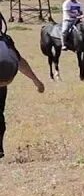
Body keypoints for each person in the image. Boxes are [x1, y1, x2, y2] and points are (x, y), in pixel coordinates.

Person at [0, 28, 46, 160]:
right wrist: (36, 81)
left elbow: (20, 62)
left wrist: (36, 80)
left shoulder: (6, 41)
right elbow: (19, 62)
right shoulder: (6, 41)